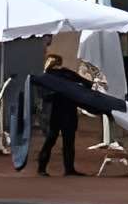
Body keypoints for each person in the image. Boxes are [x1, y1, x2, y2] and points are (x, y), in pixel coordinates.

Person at [34, 37, 89, 176]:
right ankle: (69, 169)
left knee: (50, 141)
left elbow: (44, 96)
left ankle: (42, 168)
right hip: (69, 111)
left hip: (53, 113)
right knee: (68, 142)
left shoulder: (45, 77)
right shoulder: (67, 74)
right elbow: (86, 83)